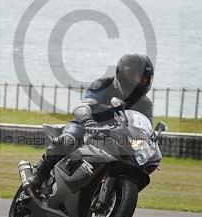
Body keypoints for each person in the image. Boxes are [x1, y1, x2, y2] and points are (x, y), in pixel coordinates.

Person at [26, 53, 154, 192]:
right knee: (68, 141)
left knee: (135, 163)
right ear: (125, 73)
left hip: (115, 135)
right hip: (86, 125)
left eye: (145, 79)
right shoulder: (104, 84)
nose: (142, 82)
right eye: (138, 77)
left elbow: (145, 128)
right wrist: (87, 119)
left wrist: (149, 146)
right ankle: (39, 175)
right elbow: (84, 104)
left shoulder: (145, 103)